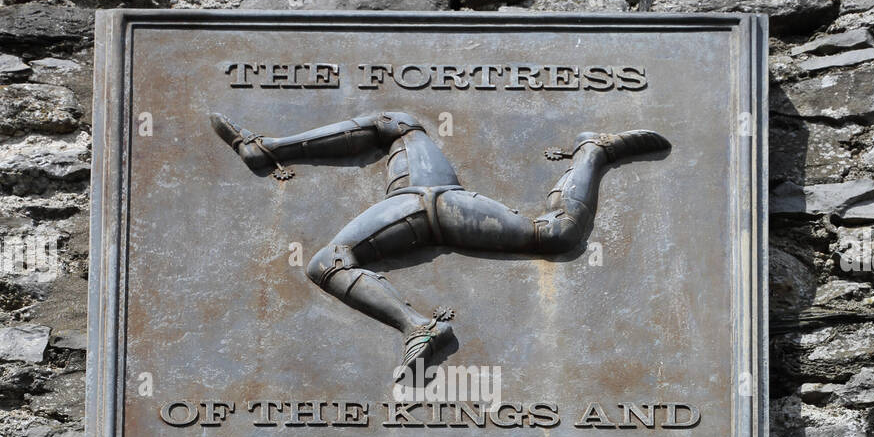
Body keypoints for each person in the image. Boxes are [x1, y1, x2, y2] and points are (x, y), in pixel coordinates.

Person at [210, 109, 669, 377]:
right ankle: (593, 152)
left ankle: (417, 326)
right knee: (555, 233)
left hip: (424, 199)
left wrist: (277, 149)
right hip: (430, 199)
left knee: (327, 261)